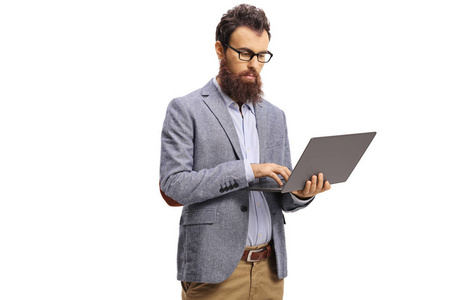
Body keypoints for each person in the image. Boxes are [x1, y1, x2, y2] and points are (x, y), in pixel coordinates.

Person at [159, 4, 331, 299]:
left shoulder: (275, 116)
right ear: (219, 49)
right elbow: (173, 186)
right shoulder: (186, 109)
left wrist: (302, 194)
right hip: (215, 272)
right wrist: (248, 170)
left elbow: (283, 195)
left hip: (270, 270)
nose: (254, 64)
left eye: (262, 55)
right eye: (245, 53)